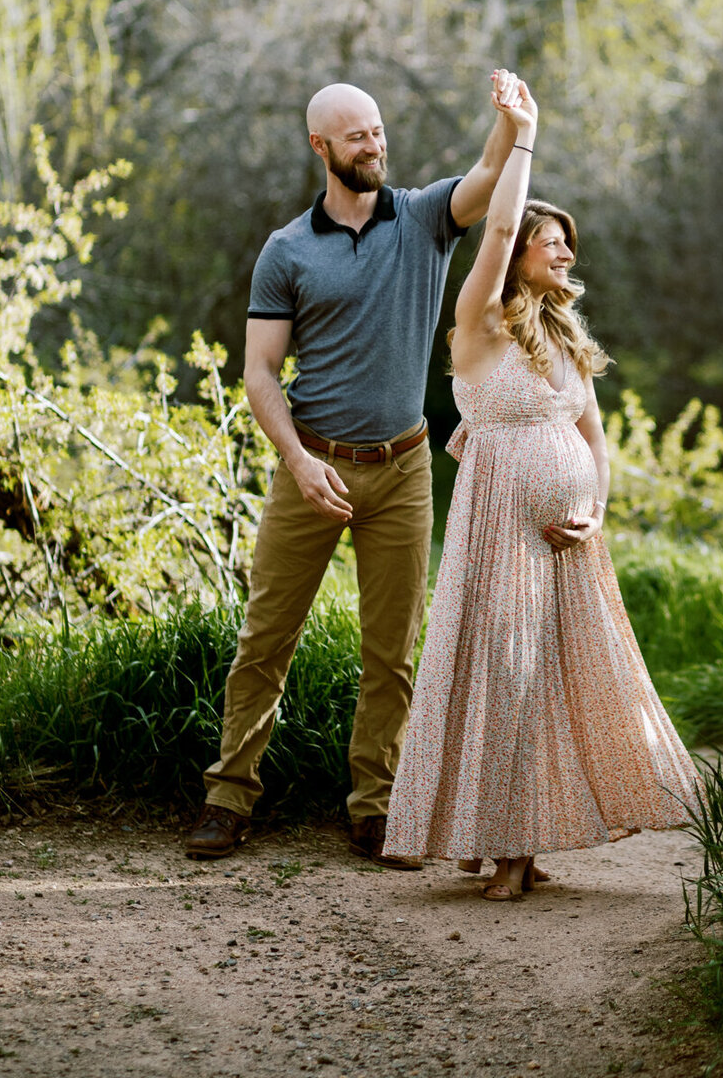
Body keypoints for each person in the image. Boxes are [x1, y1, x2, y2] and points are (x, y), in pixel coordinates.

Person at [185, 71, 525, 866]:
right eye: (357, 135)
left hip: (403, 471)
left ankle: (377, 808)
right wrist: (298, 462)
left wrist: (515, 120)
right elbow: (260, 373)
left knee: (392, 652)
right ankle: (228, 798)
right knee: (266, 639)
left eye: (377, 130)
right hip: (313, 471)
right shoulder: (287, 251)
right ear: (321, 147)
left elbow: (487, 174)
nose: (374, 144)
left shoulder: (424, 218)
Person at [383, 78, 700, 897]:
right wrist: (522, 136)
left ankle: (526, 842)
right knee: (502, 676)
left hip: (569, 546)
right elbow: (491, 223)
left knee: (553, 683)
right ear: (518, 253)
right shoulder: (479, 327)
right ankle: (504, 844)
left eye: (569, 244)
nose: (565, 254)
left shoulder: (564, 339)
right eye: (550, 243)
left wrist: (594, 509)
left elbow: (593, 439)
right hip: (499, 535)